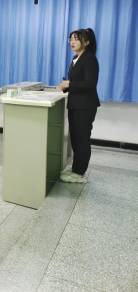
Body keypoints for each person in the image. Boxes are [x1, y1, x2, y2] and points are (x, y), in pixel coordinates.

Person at [59, 28, 100, 184]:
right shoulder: (77, 58)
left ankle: (79, 174)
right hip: (76, 104)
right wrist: (67, 86)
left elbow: (90, 83)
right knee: (75, 139)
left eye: (76, 39)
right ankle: (76, 169)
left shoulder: (89, 59)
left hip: (85, 105)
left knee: (82, 140)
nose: (72, 42)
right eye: (71, 39)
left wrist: (69, 84)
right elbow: (78, 82)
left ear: (86, 42)